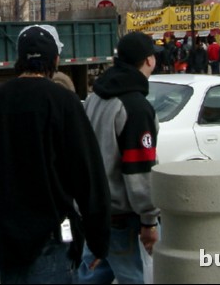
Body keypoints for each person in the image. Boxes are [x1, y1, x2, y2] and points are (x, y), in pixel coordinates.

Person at [0, 25, 111, 284]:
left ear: (19, 59)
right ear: (55, 60)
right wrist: (99, 239)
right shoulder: (63, 101)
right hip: (51, 236)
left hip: (7, 238)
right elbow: (87, 175)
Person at [78, 31, 160, 285]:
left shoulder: (95, 98)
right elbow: (139, 170)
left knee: (90, 275)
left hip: (94, 211)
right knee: (137, 278)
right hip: (123, 218)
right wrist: (149, 220)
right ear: (149, 60)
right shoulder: (135, 107)